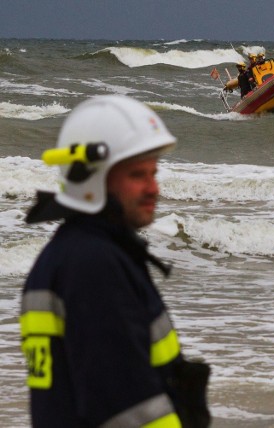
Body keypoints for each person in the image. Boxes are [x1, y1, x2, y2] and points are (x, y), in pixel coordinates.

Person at [20, 95, 211, 428]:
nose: (154, 188)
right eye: (138, 175)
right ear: (92, 180)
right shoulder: (92, 265)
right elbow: (129, 411)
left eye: (154, 173)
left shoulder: (74, 254)